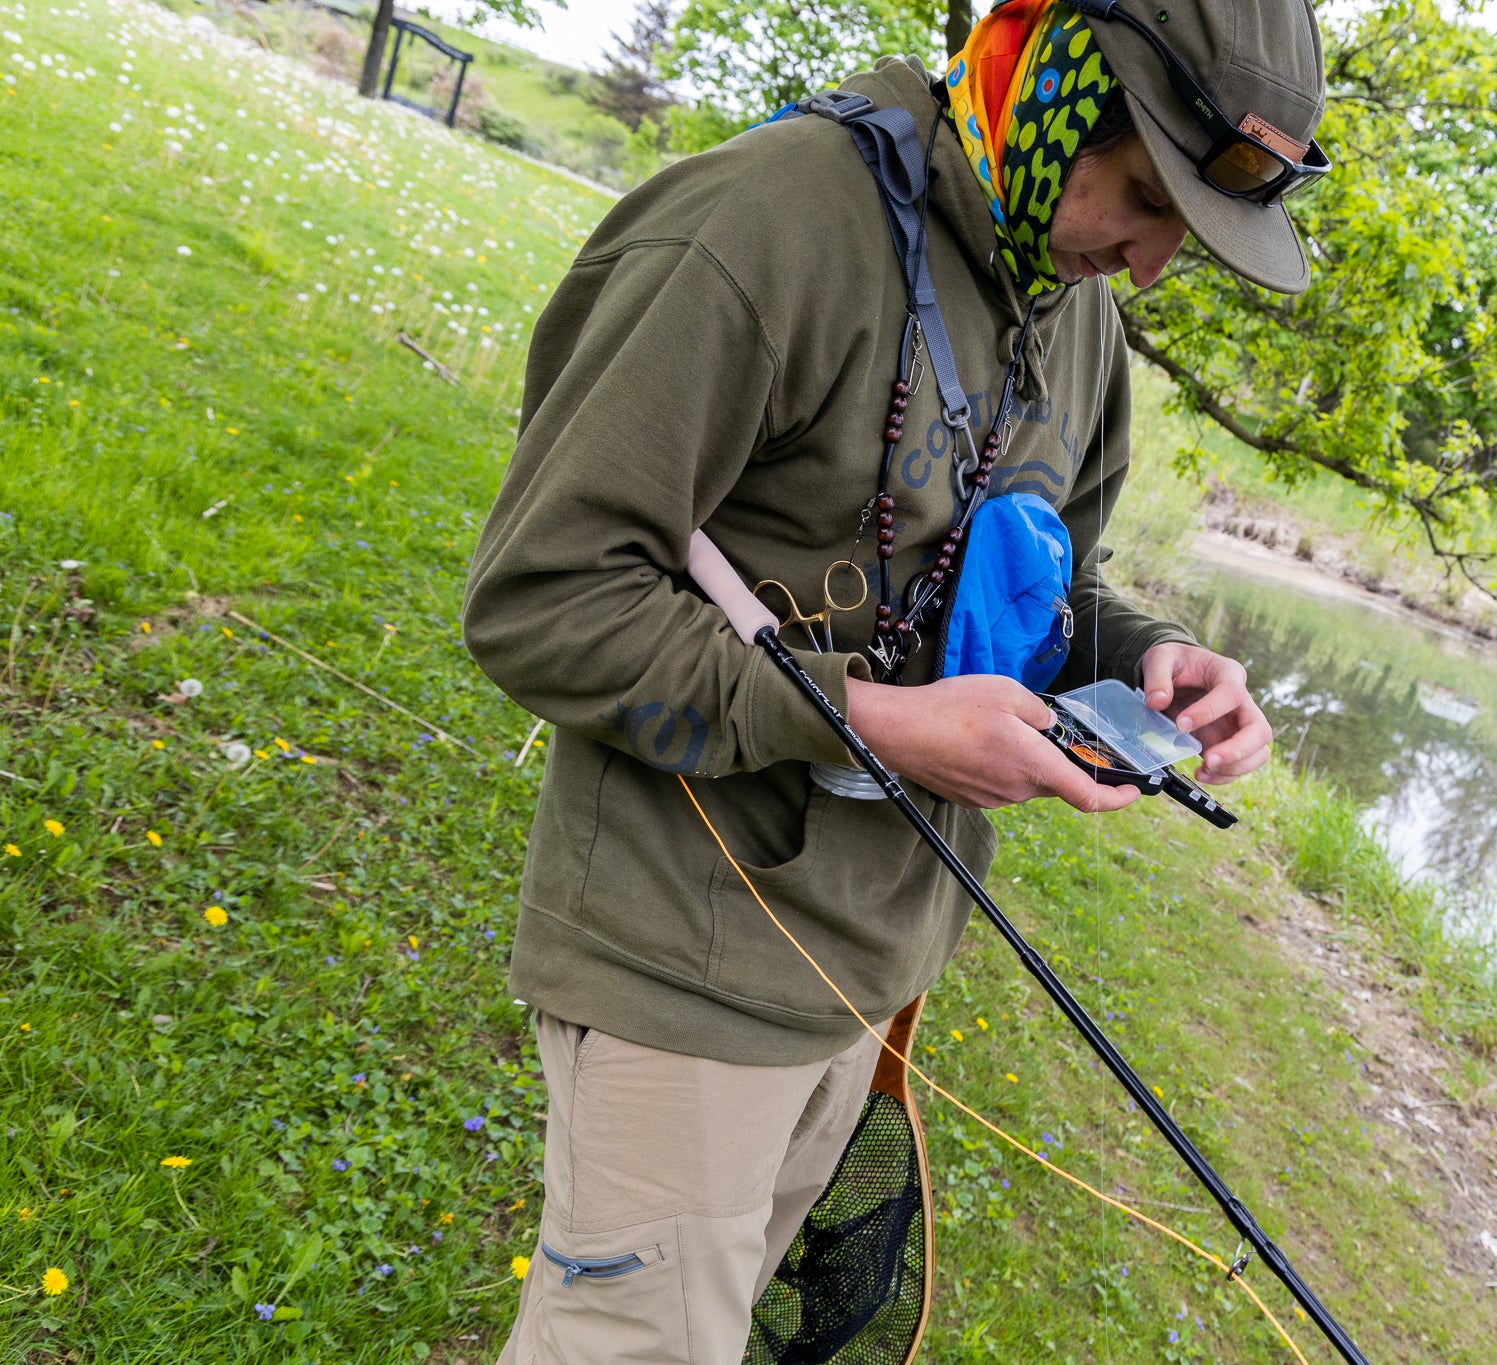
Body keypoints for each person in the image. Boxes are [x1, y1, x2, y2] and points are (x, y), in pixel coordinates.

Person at [462, 0, 1326, 1359]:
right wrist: (874, 721)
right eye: (1148, 199)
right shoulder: (765, 226)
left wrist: (1144, 657)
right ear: (1050, 87)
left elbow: (1046, 584)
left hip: (871, 966)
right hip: (684, 956)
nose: (1153, 265)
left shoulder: (1076, 304)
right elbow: (543, 594)